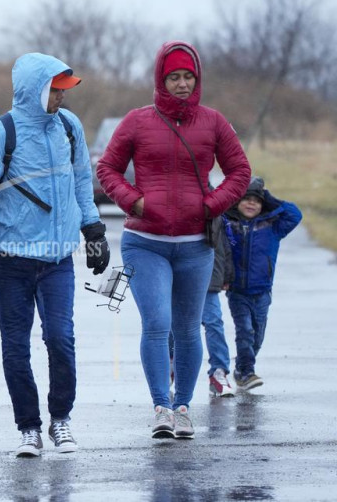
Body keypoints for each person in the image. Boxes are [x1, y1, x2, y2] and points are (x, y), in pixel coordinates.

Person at [0, 52, 110, 457]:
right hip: (12, 261)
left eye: (63, 91)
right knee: (16, 348)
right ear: (34, 90)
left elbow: (81, 183)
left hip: (58, 261)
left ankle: (61, 420)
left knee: (61, 339)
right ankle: (29, 428)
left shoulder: (70, 128)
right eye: (54, 90)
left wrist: (93, 230)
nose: (60, 98)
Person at [96, 41, 251, 439]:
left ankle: (183, 407)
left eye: (188, 77)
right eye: (174, 77)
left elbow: (240, 171)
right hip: (144, 242)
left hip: (195, 245)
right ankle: (160, 408)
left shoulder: (214, 122)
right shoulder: (136, 121)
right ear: (161, 80)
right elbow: (108, 168)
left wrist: (211, 205)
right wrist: (134, 201)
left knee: (186, 329)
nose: (182, 84)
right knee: (157, 323)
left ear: (197, 80)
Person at [223, 177, 302, 390]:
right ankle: (246, 372)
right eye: (246, 199)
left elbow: (295, 214)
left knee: (257, 335)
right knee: (245, 331)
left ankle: (242, 368)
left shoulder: (272, 226)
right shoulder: (229, 224)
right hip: (238, 292)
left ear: (263, 204)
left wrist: (268, 197)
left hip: (262, 292)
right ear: (237, 202)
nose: (251, 204)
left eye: (256, 201)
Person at [169, 213, 236, 397]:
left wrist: (227, 275)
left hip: (208, 279)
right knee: (173, 324)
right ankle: (170, 364)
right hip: (177, 275)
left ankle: (219, 371)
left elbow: (225, 246)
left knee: (214, 322)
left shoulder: (215, 205)